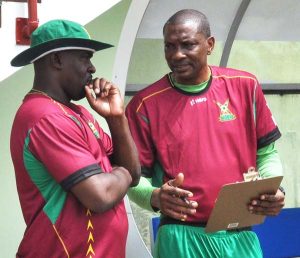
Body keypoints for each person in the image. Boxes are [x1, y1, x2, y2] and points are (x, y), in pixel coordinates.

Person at [125, 9, 285, 258]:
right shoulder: (145, 104)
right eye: (169, 46)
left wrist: (274, 189)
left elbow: (267, 154)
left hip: (239, 235)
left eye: (187, 45)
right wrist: (155, 196)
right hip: (181, 237)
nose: (177, 55)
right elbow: (132, 178)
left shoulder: (245, 86)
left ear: (209, 45)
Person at [10, 19, 141, 258]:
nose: (92, 68)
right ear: (57, 60)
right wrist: (122, 172)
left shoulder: (77, 112)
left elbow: (134, 172)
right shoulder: (43, 116)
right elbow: (101, 195)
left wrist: (116, 118)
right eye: (84, 58)